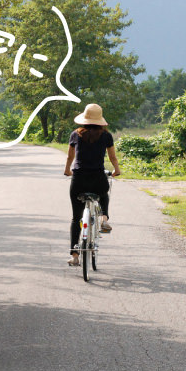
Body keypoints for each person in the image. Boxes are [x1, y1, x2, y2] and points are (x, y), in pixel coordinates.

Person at [64, 103, 121, 267]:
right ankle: (104, 218)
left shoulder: (76, 134)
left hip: (79, 180)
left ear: (85, 119)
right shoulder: (106, 136)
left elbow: (70, 157)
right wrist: (116, 170)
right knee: (104, 192)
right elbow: (112, 157)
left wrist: (68, 171)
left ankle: (74, 255)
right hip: (97, 178)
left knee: (76, 218)